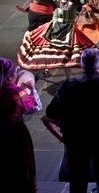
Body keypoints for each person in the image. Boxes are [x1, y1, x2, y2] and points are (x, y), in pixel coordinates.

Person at [46, 48, 99, 193]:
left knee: (77, 182)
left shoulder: (67, 86)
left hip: (75, 140)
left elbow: (51, 112)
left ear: (81, 64)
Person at [18, 0, 94, 75]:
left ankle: (68, 79)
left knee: (67, 56)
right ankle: (44, 70)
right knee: (46, 51)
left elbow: (83, 2)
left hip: (69, 30)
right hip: (55, 28)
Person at [0, 58, 41, 193]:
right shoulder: (13, 92)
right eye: (15, 74)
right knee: (19, 165)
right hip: (14, 134)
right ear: (9, 76)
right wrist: (32, 90)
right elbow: (35, 107)